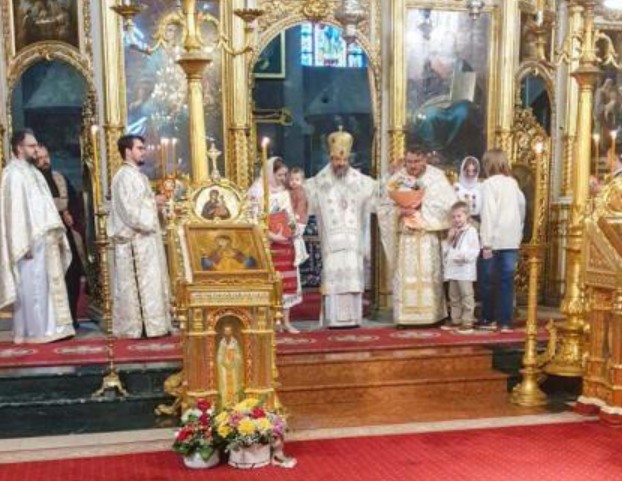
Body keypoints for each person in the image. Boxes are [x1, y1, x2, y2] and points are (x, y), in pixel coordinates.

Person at [0, 129, 75, 344]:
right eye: (31, 146)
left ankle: (54, 328)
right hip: (29, 242)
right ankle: (36, 331)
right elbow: (14, 212)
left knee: (48, 287)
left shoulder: (33, 172)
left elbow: (46, 206)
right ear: (19, 148)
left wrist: (56, 232)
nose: (36, 149)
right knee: (34, 288)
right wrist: (21, 242)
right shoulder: (13, 174)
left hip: (46, 239)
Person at [305, 127, 378, 328]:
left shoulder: (360, 181)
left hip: (353, 243)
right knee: (333, 280)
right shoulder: (319, 182)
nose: (341, 164)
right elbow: (305, 197)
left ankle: (353, 319)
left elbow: (377, 192)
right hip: (332, 245)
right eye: (337, 160)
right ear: (330, 158)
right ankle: (334, 320)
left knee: (353, 279)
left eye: (344, 160)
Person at [379, 144, 457, 327]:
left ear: (424, 160)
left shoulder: (436, 177)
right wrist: (400, 210)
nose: (412, 166)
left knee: (429, 276)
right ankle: (405, 317)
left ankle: (432, 316)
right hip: (405, 239)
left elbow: (448, 205)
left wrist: (420, 207)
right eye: (409, 161)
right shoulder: (397, 179)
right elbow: (383, 208)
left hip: (426, 238)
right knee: (406, 277)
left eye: (416, 161)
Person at [108, 134, 172, 339]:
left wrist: (158, 204)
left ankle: (154, 325)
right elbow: (130, 210)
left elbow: (142, 204)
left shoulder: (139, 176)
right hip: (134, 243)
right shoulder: (123, 177)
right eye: (140, 148)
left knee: (151, 283)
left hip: (146, 242)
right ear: (128, 151)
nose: (144, 152)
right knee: (139, 285)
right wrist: (154, 202)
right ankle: (138, 327)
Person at [249, 157, 302, 334]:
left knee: (287, 283)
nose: (283, 178)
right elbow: (254, 220)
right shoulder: (257, 192)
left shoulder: (284, 192)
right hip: (267, 245)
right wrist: (272, 236)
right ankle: (272, 321)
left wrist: (292, 230)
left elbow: (289, 215)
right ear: (270, 174)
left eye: (285, 175)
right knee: (270, 283)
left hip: (285, 244)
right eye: (280, 175)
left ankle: (286, 322)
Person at [36, 145, 86, 330]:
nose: (45, 161)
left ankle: (71, 317)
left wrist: (70, 213)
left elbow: (74, 201)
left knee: (72, 274)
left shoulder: (60, 178)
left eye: (46, 156)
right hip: (46, 236)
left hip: (66, 233)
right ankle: (53, 322)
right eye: (40, 158)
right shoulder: (33, 182)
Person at [478, 149, 526, 333]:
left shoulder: (488, 184)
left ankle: (488, 318)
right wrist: (518, 234)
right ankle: (505, 322)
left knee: (488, 281)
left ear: (488, 164)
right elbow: (522, 209)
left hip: (494, 241)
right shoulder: (513, 183)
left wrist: (486, 243)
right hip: (511, 240)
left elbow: (488, 213)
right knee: (507, 283)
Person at [442, 201, 480, 333]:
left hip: (465, 270)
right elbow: (446, 251)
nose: (456, 219)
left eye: (459, 216)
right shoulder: (453, 232)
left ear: (467, 216)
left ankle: (467, 321)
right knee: (454, 297)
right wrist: (449, 239)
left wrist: (463, 256)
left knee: (466, 296)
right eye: (454, 217)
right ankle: (456, 320)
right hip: (453, 270)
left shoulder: (471, 231)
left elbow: (475, 250)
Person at [287, 167, 310, 267]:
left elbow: (301, 205)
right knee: (298, 237)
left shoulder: (300, 192)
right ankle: (304, 253)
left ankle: (299, 256)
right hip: (294, 218)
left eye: (297, 179)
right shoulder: (292, 191)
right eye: (291, 179)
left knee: (295, 236)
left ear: (302, 181)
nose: (294, 182)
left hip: (299, 219)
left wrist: (296, 215)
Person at [217, 325, 243, 407]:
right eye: (226, 331)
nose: (227, 333)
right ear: (224, 332)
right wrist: (223, 361)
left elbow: (239, 355)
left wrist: (234, 358)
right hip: (224, 367)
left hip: (234, 367)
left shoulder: (235, 342)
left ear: (231, 332)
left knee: (234, 383)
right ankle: (225, 404)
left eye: (229, 331)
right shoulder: (222, 343)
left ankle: (235, 403)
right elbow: (219, 356)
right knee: (225, 384)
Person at [454, 156, 482, 223]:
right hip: (459, 223)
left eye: (474, 171)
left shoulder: (481, 187)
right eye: (467, 171)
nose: (470, 174)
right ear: (462, 170)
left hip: (478, 223)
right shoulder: (456, 187)